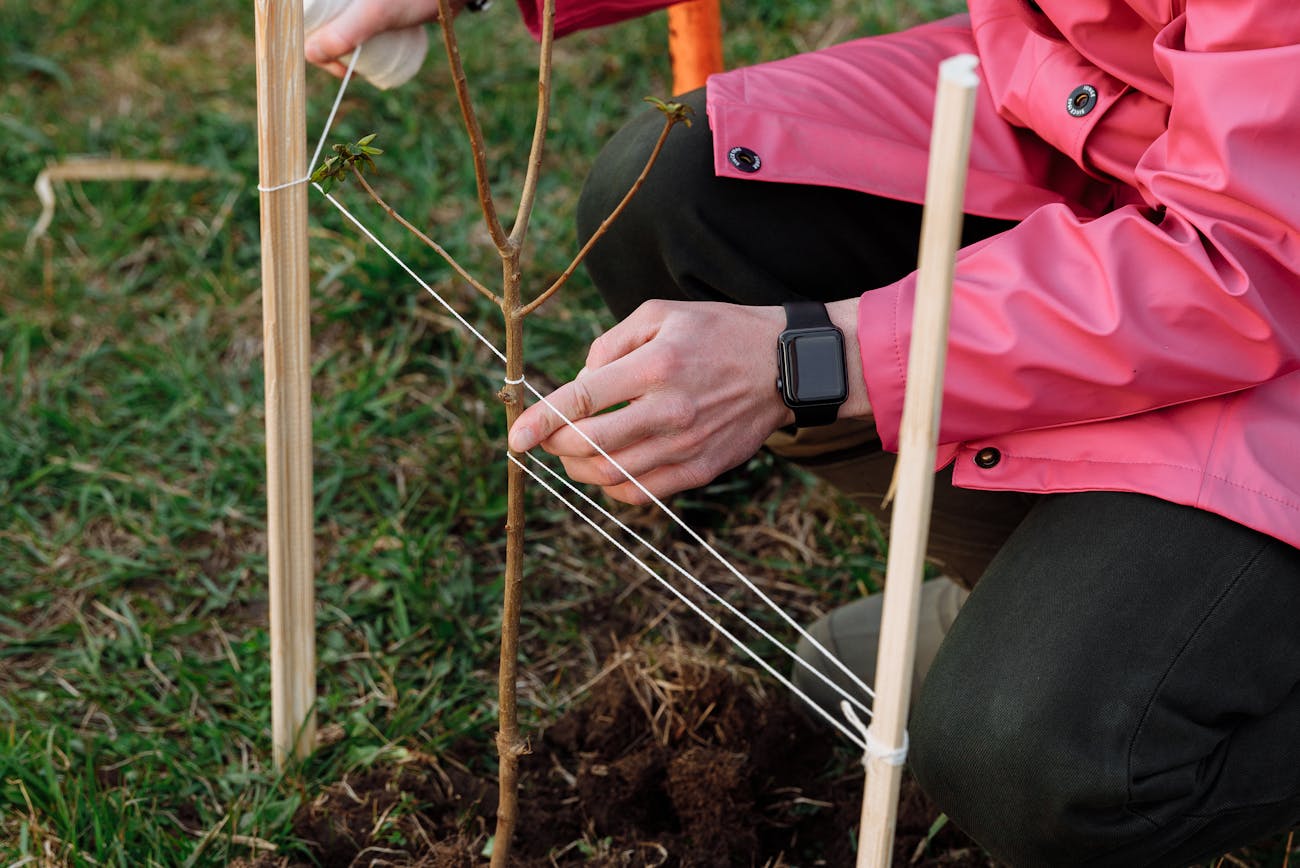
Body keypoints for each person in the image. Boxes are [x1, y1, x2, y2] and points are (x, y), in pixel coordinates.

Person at [309, 2, 1300, 864]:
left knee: (1039, 764)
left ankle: (1154, 652)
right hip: (1110, 122)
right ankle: (1063, 582)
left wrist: (811, 360)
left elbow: (1249, 254)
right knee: (677, 199)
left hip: (1259, 249)